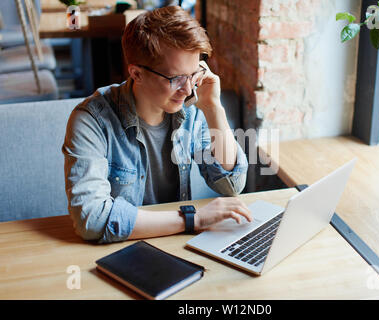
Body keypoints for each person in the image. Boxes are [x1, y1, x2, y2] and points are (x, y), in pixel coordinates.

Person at [62, 6, 251, 244]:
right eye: (176, 79)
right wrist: (193, 219)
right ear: (137, 73)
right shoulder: (91, 121)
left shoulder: (191, 108)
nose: (188, 89)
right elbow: (91, 220)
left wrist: (214, 107)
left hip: (176, 243)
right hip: (121, 249)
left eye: (194, 75)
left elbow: (231, 184)